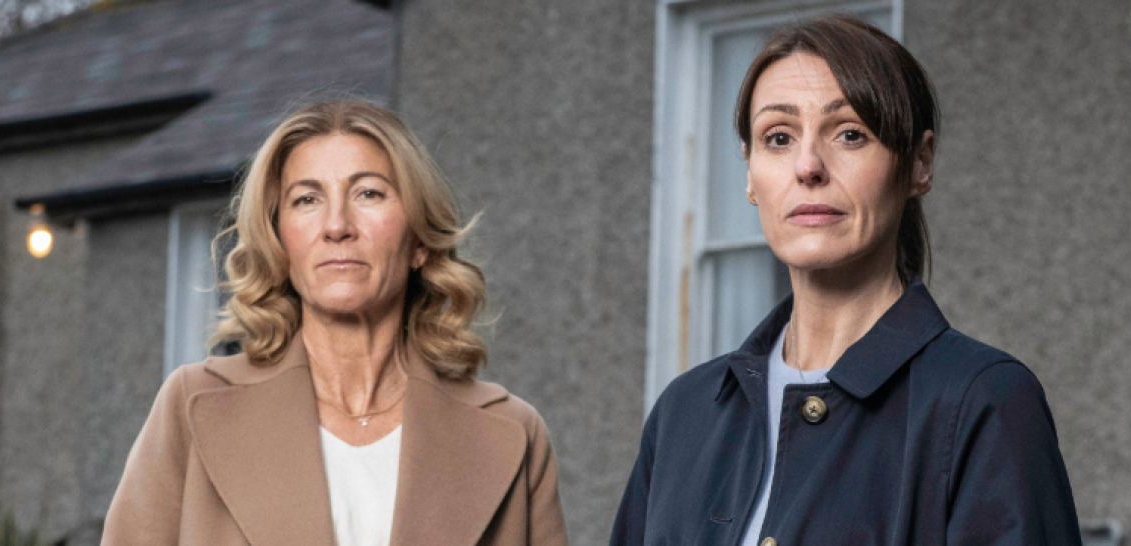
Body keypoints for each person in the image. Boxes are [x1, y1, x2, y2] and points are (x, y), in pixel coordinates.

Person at [611, 14, 1080, 546]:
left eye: (850, 134)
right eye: (779, 137)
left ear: (919, 164)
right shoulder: (685, 413)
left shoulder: (983, 399)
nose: (808, 166)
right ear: (749, 173)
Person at [103, 100, 567, 546]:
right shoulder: (192, 406)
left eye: (368, 193)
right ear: (280, 242)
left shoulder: (511, 433)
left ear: (420, 241)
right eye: (307, 199)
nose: (337, 225)